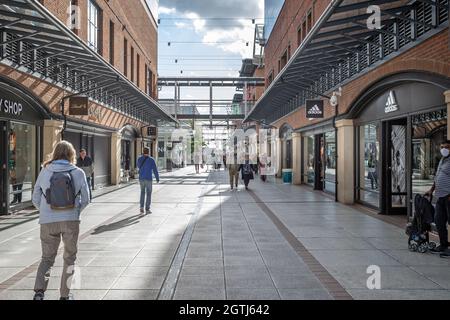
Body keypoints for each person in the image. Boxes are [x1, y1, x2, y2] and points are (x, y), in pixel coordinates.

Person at [32, 141, 90, 301]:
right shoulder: (78, 172)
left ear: (55, 153)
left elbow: (35, 197)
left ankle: (39, 292)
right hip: (71, 220)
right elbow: (86, 199)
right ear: (72, 154)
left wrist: (45, 211)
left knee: (47, 257)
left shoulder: (45, 170)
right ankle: (66, 294)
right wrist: (75, 212)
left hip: (47, 222)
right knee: (70, 256)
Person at [426, 140, 450, 257]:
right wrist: (431, 190)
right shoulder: (442, 160)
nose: (444, 149)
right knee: (439, 221)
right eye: (442, 147)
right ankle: (443, 245)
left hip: (448, 196)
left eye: (447, 147)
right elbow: (437, 177)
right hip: (440, 196)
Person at [137, 147, 160, 215]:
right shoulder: (151, 160)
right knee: (149, 194)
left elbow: (138, 166)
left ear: (143, 152)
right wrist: (157, 178)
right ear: (149, 152)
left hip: (141, 178)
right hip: (149, 179)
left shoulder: (139, 159)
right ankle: (147, 209)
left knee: (142, 193)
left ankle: (141, 208)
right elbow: (155, 170)